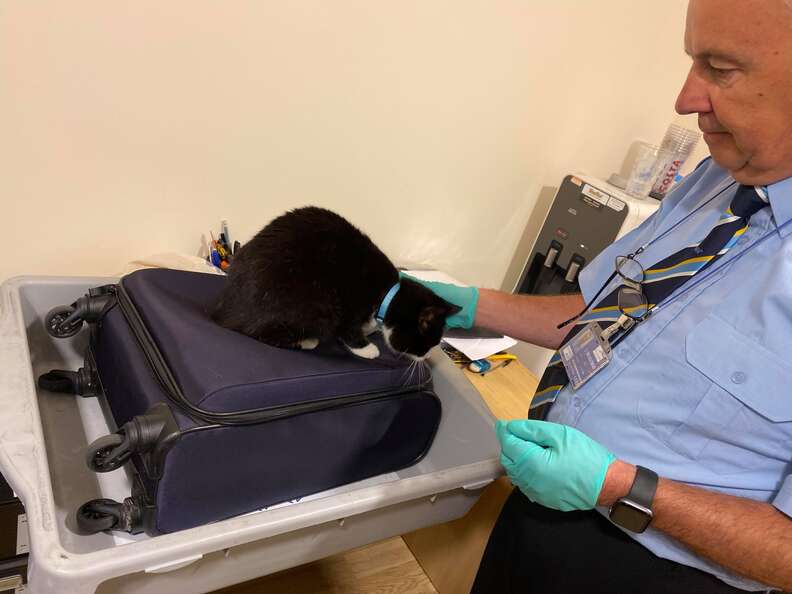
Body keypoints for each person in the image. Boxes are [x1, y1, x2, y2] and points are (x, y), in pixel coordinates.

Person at [411, 0, 792, 591]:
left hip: (657, 569)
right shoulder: (719, 176)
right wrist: (464, 305)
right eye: (693, 61)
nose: (686, 99)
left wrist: (621, 487)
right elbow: (606, 319)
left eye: (720, 69)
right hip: (546, 506)